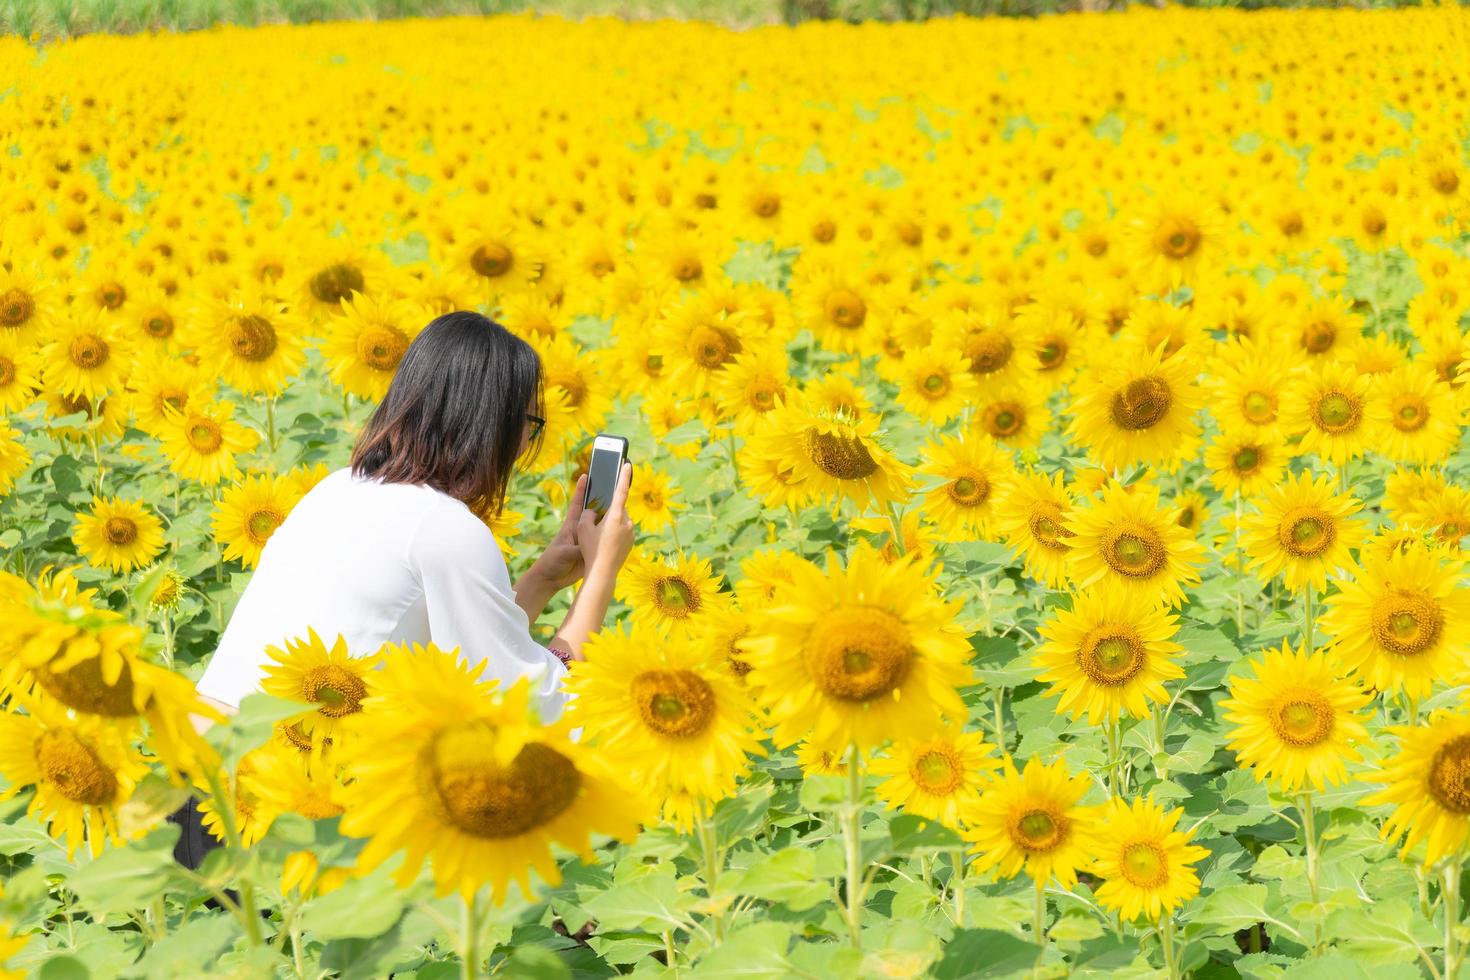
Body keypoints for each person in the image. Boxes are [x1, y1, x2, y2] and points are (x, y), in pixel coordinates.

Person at [170, 310, 636, 867]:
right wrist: (603, 572)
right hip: (283, 814)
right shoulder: (444, 528)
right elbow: (534, 704)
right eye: (530, 425)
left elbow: (445, 650)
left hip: (197, 786)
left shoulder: (338, 489)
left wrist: (543, 579)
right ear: (496, 424)